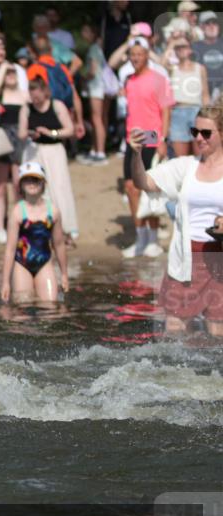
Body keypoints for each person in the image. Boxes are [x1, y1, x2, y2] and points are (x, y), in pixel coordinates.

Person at [128, 105, 223, 336]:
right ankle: (179, 372)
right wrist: (136, 154)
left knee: (217, 330)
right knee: (174, 327)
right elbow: (144, 183)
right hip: (186, 257)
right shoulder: (185, 166)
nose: (199, 138)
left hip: (219, 257)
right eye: (195, 132)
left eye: (206, 133)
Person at [120, 38, 174, 258]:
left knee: (150, 189)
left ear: (146, 55)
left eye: (139, 54)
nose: (135, 58)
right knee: (131, 188)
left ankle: (152, 238)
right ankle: (140, 237)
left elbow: (166, 111)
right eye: (132, 54)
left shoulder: (159, 79)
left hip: (152, 138)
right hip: (133, 139)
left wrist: (163, 139)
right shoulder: (129, 81)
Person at [19, 78, 79, 246]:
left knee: (59, 190)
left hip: (54, 151)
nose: (35, 99)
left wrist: (50, 132)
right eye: (32, 96)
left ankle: (66, 231)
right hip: (34, 151)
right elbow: (21, 133)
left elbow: (70, 130)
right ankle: (37, 230)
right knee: (34, 190)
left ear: (44, 92)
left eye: (38, 95)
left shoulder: (57, 105)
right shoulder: (27, 108)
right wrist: (31, 133)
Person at [0, 162, 69, 305]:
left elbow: (59, 244)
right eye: (27, 180)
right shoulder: (17, 212)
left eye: (36, 180)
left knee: (51, 305)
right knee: (22, 307)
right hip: (22, 265)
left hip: (44, 264)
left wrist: (64, 274)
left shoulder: (53, 211)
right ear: (21, 185)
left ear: (43, 183)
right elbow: (10, 250)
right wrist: (5, 282)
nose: (32, 183)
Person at [0, 62, 28, 243]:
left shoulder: (24, 95)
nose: (11, 76)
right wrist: (3, 68)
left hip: (19, 140)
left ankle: (20, 224)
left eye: (14, 73)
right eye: (8, 74)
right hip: (2, 139)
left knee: (18, 186)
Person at [165, 35, 210, 157]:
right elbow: (162, 62)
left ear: (190, 49)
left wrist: (208, 118)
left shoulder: (200, 68)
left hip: (197, 112)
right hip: (177, 113)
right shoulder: (172, 69)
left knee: (200, 157)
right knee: (180, 159)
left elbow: (205, 95)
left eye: (184, 46)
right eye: (178, 47)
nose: (181, 49)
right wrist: (172, 43)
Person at [79, 23, 115, 165]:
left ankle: (99, 152)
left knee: (96, 119)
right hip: (104, 88)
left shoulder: (93, 49)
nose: (83, 33)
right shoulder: (98, 49)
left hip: (96, 88)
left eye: (86, 30)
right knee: (102, 118)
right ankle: (97, 150)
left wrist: (83, 77)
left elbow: (93, 71)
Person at [192, 11, 221, 101]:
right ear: (201, 27)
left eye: (215, 23)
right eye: (208, 24)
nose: (212, 26)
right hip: (202, 95)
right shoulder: (194, 47)